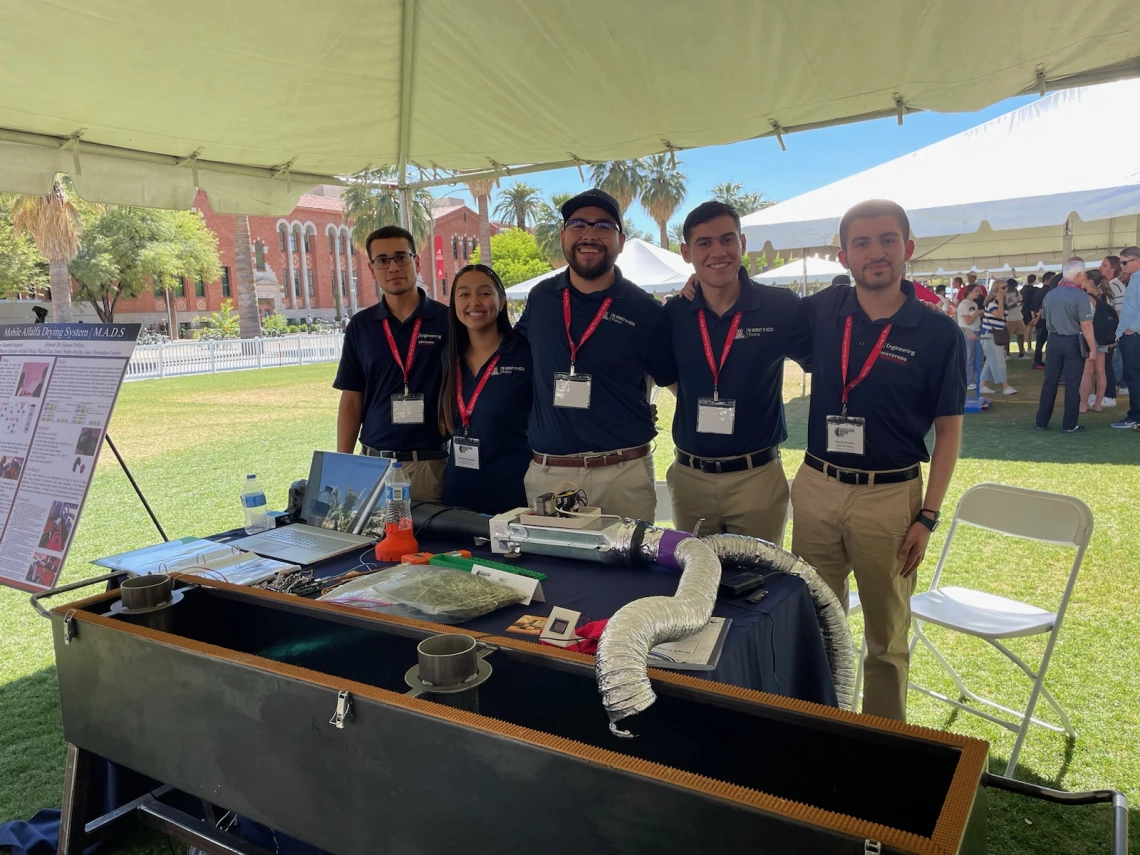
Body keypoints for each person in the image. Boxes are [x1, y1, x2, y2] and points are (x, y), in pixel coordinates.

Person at [792, 199, 965, 722]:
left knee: (886, 636)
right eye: (862, 243)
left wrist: (928, 516)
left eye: (888, 240)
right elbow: (748, 305)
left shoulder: (937, 333)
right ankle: (817, 724)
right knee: (815, 618)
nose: (876, 252)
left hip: (890, 496)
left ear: (907, 249)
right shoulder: (824, 309)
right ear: (844, 255)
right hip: (818, 486)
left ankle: (882, 743)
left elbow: (949, 431)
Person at [654, 201, 808, 540]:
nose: (717, 252)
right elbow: (667, 376)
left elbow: (821, 357)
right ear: (686, 252)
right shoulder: (675, 313)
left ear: (742, 243)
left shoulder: (780, 306)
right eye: (704, 243)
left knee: (761, 586)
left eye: (727, 240)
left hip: (757, 478)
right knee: (699, 582)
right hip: (691, 477)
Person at [514, 189, 665, 520]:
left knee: (630, 572)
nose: (590, 235)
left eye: (603, 226)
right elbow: (512, 359)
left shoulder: (644, 309)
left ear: (621, 240)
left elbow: (674, 379)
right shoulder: (540, 299)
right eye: (578, 224)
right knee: (554, 571)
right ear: (563, 235)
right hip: (550, 475)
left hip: (622, 473)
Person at [334, 225, 449, 501]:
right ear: (372, 269)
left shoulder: (447, 321)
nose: (393, 267)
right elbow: (351, 399)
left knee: (430, 545)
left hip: (429, 464)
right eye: (382, 260)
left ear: (416, 261)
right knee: (373, 545)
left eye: (401, 257)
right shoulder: (361, 326)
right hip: (373, 466)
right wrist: (341, 465)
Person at [437, 264, 532, 515]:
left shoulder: (525, 354)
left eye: (484, 293)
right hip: (458, 496)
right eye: (464, 294)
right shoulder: (449, 357)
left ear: (502, 301)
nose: (474, 302)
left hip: (513, 496)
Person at [1035, 258, 1098, 433]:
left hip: (1053, 340)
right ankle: (1069, 424)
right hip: (1073, 341)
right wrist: (1092, 348)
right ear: (1078, 274)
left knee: (1049, 382)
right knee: (1072, 384)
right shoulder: (1080, 296)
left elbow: (1045, 318)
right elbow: (1086, 325)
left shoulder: (1050, 294)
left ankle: (1041, 421)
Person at [1080, 271, 1118, 413]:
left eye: (1084, 279)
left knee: (1088, 371)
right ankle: (1098, 403)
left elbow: (1086, 321)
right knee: (1101, 371)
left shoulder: (1087, 299)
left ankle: (1083, 404)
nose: (1081, 281)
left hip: (1091, 337)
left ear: (1090, 281)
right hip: (1104, 337)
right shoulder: (1106, 296)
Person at [1111, 246, 1140, 428]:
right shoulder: (1134, 279)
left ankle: (1135, 416)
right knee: (1133, 376)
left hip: (1134, 336)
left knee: (1133, 376)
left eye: (1124, 262)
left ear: (1137, 261)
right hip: (1130, 334)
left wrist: (1131, 329)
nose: (1122, 266)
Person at [978, 286, 1016, 396]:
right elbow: (999, 315)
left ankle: (982, 385)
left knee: (991, 361)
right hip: (990, 335)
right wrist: (999, 300)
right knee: (999, 361)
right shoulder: (992, 303)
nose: (1006, 289)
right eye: (1003, 288)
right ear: (996, 290)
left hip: (993, 335)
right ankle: (1005, 386)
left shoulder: (1000, 303)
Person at [956, 283, 985, 391]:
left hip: (975, 330)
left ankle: (977, 379)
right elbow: (968, 321)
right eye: (976, 291)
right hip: (967, 331)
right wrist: (978, 313)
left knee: (978, 356)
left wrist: (978, 314)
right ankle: (969, 381)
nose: (979, 293)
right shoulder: (964, 304)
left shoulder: (972, 303)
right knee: (969, 357)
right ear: (970, 291)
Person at [1032, 271, 1058, 369]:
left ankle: (1038, 361)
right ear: (1047, 280)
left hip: (1041, 319)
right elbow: (1041, 308)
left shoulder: (1038, 292)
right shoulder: (1048, 292)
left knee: (1040, 341)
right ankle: (1039, 361)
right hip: (1046, 319)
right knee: (1045, 341)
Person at [1002, 278, 1026, 357]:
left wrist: (1021, 304)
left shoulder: (1016, 291)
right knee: (1007, 337)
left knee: (1021, 335)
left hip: (1018, 316)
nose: (1013, 288)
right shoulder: (1003, 294)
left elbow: (1021, 300)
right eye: (1012, 286)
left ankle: (1021, 353)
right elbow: (1004, 307)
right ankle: (1008, 354)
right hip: (1009, 318)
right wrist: (1014, 305)